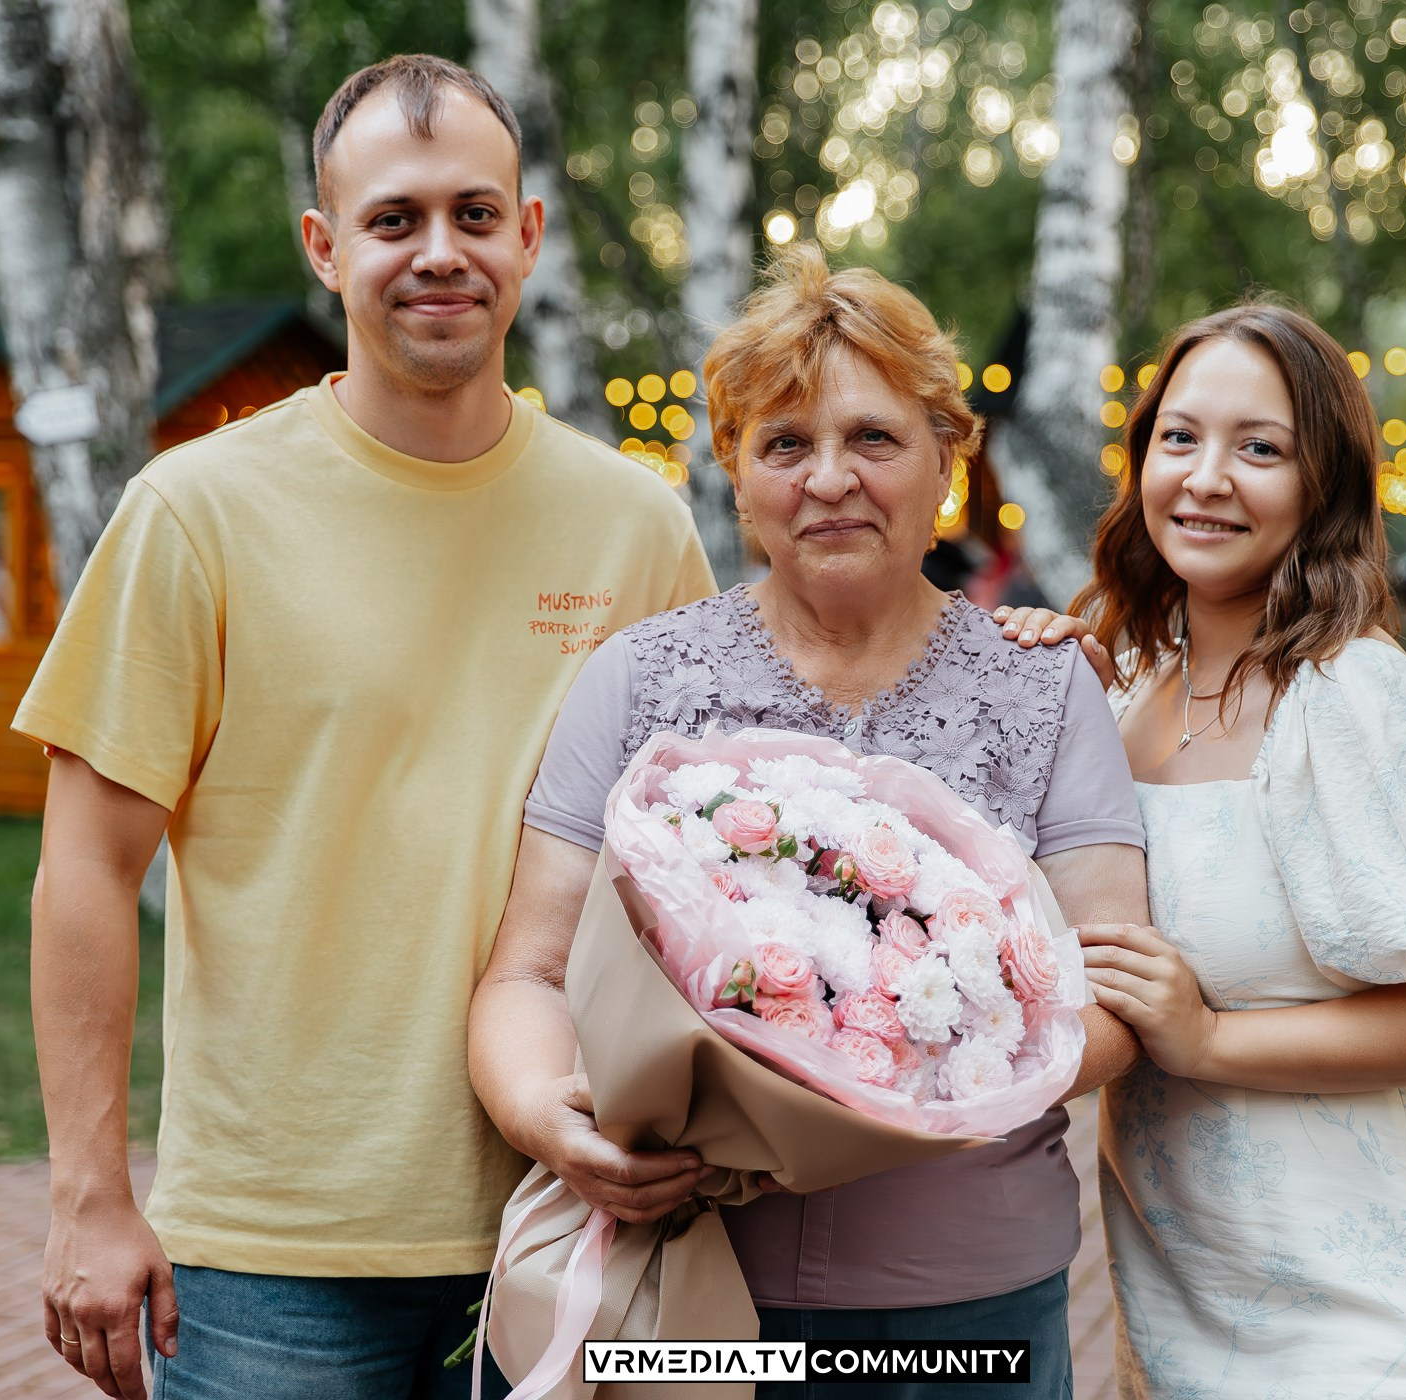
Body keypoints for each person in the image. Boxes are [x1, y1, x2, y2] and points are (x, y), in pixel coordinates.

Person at [12, 55, 713, 1400]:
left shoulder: (637, 527)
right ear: (325, 247)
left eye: (474, 213)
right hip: (275, 1253)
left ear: (529, 235)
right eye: (395, 219)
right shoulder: (196, 512)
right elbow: (86, 868)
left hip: (566, 1210)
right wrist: (87, 1196)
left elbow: (704, 856)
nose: (439, 251)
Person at [469, 245, 1151, 1400]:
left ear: (948, 455)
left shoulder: (1044, 688)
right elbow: (526, 973)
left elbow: (1116, 990)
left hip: (963, 1309)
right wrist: (550, 1118)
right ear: (737, 474)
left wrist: (939, 1078)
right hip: (690, 1288)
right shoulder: (638, 678)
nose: (830, 477)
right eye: (784, 444)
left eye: (873, 437)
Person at [991, 302, 1406, 1398]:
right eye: (1179, 437)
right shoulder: (1123, 686)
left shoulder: (1358, 703)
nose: (1206, 477)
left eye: (1260, 448)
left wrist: (1208, 1038)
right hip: (1183, 1293)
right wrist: (1031, 687)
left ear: (1323, 485)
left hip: (1368, 1312)